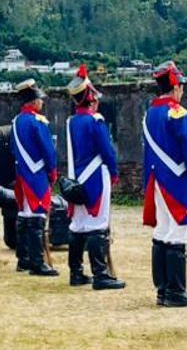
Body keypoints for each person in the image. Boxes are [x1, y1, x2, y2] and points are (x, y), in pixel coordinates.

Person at [142, 62, 187, 308]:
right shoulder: (177, 112)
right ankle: (176, 291)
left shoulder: (150, 113)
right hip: (176, 179)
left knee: (163, 231)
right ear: (175, 86)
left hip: (157, 180)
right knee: (179, 230)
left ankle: (163, 289)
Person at [63, 67, 124, 290]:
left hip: (76, 179)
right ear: (90, 98)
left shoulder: (71, 122)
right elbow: (107, 151)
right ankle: (100, 274)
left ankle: (76, 272)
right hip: (95, 177)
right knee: (97, 224)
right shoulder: (95, 121)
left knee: (78, 225)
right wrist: (115, 171)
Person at [10, 80, 59, 277]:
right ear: (33, 102)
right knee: (37, 215)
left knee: (25, 215)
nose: (42, 103)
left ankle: (24, 259)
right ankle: (38, 263)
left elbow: (13, 149)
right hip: (36, 173)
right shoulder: (38, 122)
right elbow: (48, 150)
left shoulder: (16, 121)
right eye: (39, 100)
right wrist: (52, 170)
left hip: (22, 173)